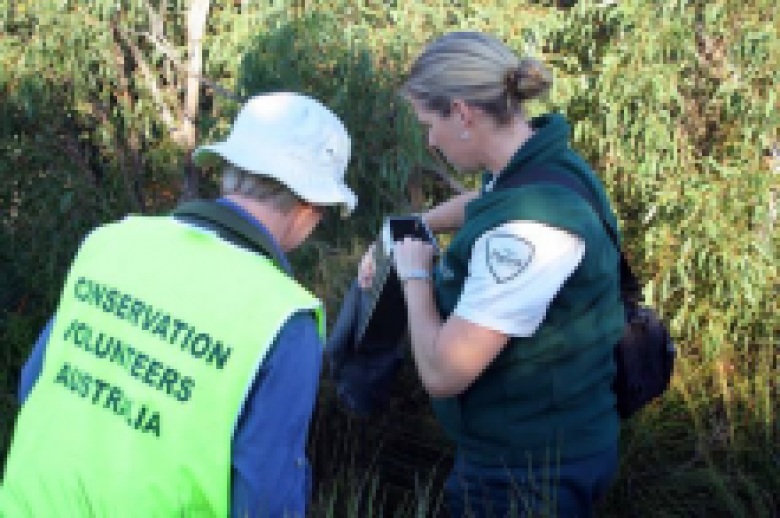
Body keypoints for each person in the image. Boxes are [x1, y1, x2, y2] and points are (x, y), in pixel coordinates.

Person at [1, 92, 357, 518]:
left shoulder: (112, 241)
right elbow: (264, 498)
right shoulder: (283, 317)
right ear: (308, 207)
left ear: (228, 174)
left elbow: (34, 382)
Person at [358, 32, 624, 517]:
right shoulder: (544, 164)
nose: (429, 140)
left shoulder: (528, 234)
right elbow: (487, 198)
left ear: (462, 114)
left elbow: (443, 372)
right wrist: (414, 228)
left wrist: (415, 275)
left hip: (528, 471)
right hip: (539, 445)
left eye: (429, 124)